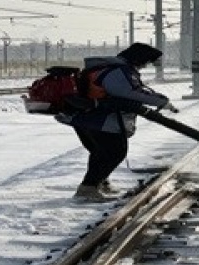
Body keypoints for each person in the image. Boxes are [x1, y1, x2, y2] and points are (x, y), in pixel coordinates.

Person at [59, 42, 174, 202]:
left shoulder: (111, 68)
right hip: (101, 118)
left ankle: (98, 184)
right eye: (146, 61)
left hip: (87, 118)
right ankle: (88, 188)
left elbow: (132, 91)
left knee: (101, 153)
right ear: (138, 58)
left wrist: (159, 99)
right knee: (115, 152)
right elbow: (128, 93)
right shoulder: (118, 71)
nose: (145, 65)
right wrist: (159, 102)